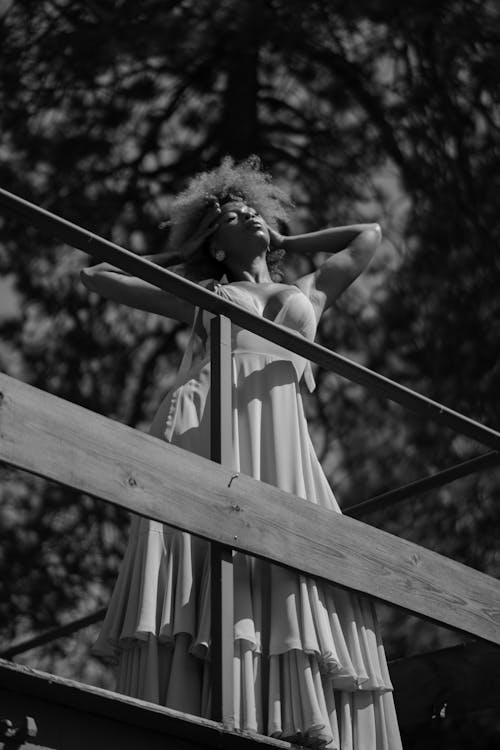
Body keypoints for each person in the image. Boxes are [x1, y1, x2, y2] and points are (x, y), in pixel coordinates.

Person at [81, 157, 403, 750]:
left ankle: (283, 705)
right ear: (216, 244)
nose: (247, 214)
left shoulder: (308, 291)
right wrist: (187, 257)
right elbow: (97, 274)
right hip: (209, 419)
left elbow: (369, 237)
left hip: (279, 432)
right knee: (204, 550)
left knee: (300, 557)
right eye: (231, 215)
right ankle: (202, 698)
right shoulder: (205, 291)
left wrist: (287, 239)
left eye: (252, 209)